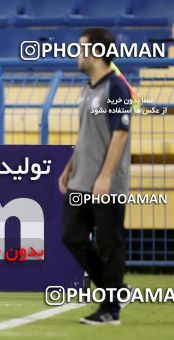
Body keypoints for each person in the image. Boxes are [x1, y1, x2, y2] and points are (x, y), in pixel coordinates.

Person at [58, 28, 132, 325]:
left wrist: (105, 177)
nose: (77, 54)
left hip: (107, 183)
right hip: (81, 180)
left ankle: (110, 310)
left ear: (97, 53)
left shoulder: (116, 88)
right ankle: (116, 292)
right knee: (71, 236)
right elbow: (87, 135)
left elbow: (120, 134)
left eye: (81, 49)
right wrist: (69, 167)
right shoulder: (87, 89)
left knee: (108, 243)